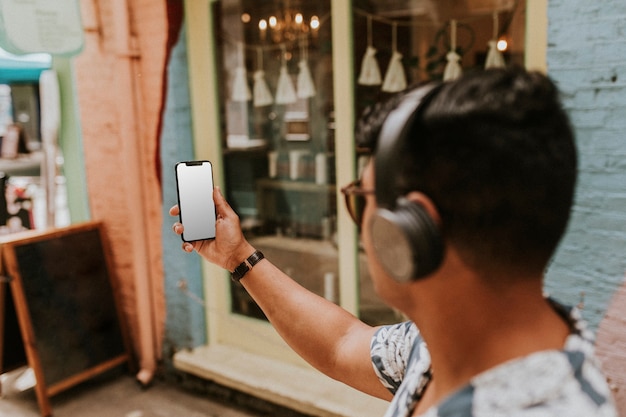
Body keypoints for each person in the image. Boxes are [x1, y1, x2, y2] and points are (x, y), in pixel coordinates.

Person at [171, 67, 617, 416]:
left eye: (360, 200)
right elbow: (341, 343)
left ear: (411, 226)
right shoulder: (453, 338)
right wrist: (238, 257)